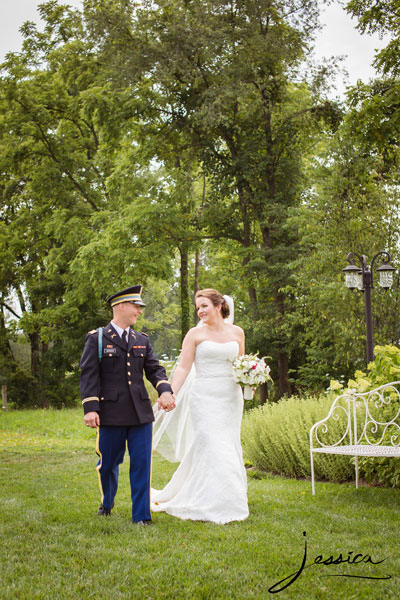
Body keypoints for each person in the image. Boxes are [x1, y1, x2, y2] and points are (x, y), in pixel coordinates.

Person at [151, 289, 249, 524]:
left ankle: (230, 500)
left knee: (228, 445)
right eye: (198, 307)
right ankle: (208, 501)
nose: (200, 311)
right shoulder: (195, 334)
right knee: (211, 443)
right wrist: (169, 392)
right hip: (204, 396)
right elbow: (184, 368)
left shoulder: (238, 333)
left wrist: (250, 379)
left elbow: (243, 364)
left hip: (230, 398)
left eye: (204, 305)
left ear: (219, 306)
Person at [80, 285, 175, 524]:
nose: (139, 312)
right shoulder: (98, 338)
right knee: (108, 464)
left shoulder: (141, 339)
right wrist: (91, 408)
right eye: (136, 307)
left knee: (142, 464)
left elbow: (154, 369)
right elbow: (89, 375)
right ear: (120, 306)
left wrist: (164, 391)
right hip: (110, 414)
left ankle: (141, 516)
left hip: (140, 413)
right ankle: (107, 502)